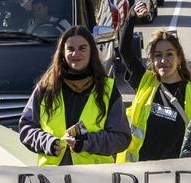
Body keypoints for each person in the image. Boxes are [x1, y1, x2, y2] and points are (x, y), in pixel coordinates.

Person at [19, 26, 131, 164]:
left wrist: (86, 142)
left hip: (95, 175)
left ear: (91, 52)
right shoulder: (46, 87)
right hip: (52, 175)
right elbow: (26, 128)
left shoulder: (108, 89)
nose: (75, 54)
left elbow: (121, 138)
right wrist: (47, 142)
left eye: (82, 48)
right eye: (70, 49)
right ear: (62, 52)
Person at [117, 2, 191, 162]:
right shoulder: (145, 81)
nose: (163, 60)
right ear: (152, 61)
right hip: (141, 172)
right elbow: (124, 51)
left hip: (178, 173)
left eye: (169, 54)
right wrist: (131, 16)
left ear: (179, 58)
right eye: (158, 55)